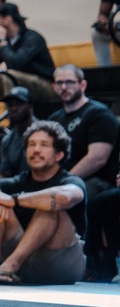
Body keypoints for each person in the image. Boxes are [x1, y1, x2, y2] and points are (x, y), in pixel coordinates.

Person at [0, 120, 86, 285]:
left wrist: (14, 200)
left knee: (49, 207)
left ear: (59, 155)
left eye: (44, 145)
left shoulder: (70, 180)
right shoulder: (19, 181)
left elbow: (65, 197)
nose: (36, 150)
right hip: (27, 261)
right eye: (31, 144)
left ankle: (10, 265)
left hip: (61, 263)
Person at [0, 2, 56, 124]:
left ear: (7, 19)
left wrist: (2, 41)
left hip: (44, 85)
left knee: (9, 75)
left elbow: (15, 64)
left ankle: (12, 124)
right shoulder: (3, 41)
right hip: (17, 81)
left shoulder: (32, 37)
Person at [47, 65, 119, 204]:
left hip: (96, 181)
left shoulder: (99, 114)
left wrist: (64, 182)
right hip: (64, 182)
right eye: (59, 83)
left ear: (82, 85)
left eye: (69, 82)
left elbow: (97, 159)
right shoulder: (54, 119)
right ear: (53, 87)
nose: (64, 87)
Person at [0, 87, 35, 179]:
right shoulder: (7, 140)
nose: (14, 109)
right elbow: (5, 175)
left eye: (19, 104)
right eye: (10, 105)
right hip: (19, 186)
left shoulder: (46, 133)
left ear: (30, 106)